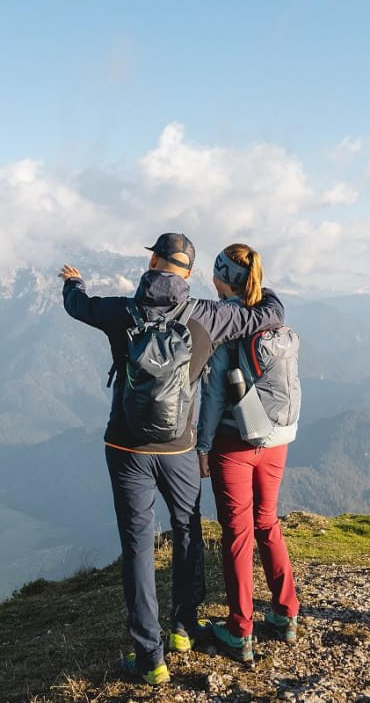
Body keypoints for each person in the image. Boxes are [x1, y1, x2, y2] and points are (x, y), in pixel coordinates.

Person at [59, 232, 285, 687]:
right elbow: (271, 313)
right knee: (187, 530)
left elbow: (77, 306)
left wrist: (73, 282)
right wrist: (259, 283)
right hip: (180, 449)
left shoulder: (121, 311)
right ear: (187, 271)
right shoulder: (208, 315)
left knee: (139, 547)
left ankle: (150, 656)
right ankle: (184, 627)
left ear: (155, 262)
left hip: (127, 449)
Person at [196, 243, 300, 666]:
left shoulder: (228, 328)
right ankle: (285, 614)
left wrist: (203, 447)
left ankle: (240, 631)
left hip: (234, 444)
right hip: (277, 439)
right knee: (267, 523)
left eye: (215, 274)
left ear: (222, 278)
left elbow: (215, 394)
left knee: (237, 534)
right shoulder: (271, 311)